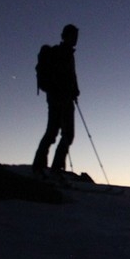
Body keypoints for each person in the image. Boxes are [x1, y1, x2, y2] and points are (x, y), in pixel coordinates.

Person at [33, 24, 80, 178]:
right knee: (65, 133)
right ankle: (53, 170)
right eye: (73, 36)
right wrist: (70, 90)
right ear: (66, 36)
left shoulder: (67, 54)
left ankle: (42, 167)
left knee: (54, 132)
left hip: (59, 98)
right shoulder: (61, 53)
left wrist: (75, 89)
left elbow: (71, 76)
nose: (76, 39)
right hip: (60, 99)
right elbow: (64, 77)